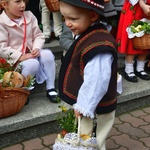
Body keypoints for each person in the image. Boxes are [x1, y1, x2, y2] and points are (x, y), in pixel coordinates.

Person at [58, 0, 118, 149]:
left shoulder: (99, 45)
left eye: (73, 19)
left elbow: (97, 81)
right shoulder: (88, 32)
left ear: (92, 15)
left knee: (90, 140)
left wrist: (84, 106)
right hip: (88, 104)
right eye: (64, 18)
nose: (67, 23)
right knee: (84, 138)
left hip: (93, 107)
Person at [0, 0, 59, 103]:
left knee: (47, 54)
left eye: (24, 1)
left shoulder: (29, 16)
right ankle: (24, 90)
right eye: (17, 1)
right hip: (14, 63)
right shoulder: (2, 22)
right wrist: (20, 56)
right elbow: (2, 47)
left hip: (31, 54)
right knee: (32, 63)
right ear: (5, 4)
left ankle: (51, 87)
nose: (23, 5)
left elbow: (38, 35)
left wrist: (36, 48)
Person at [116, 0, 150, 82]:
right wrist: (142, 4)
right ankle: (129, 69)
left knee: (146, 38)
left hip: (147, 6)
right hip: (135, 7)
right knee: (133, 36)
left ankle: (140, 68)